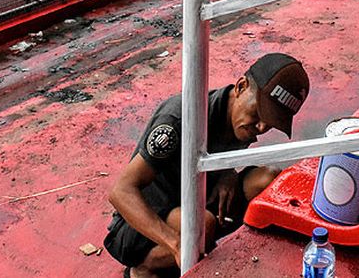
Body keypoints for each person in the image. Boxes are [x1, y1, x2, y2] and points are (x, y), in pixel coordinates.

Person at [105, 53, 310, 278]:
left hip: (197, 200)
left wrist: (228, 173)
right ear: (241, 86)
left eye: (271, 122)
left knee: (267, 180)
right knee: (203, 223)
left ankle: (212, 246)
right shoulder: (180, 118)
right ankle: (144, 269)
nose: (261, 127)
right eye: (259, 114)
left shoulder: (242, 122)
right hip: (139, 225)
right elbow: (120, 191)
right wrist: (176, 244)